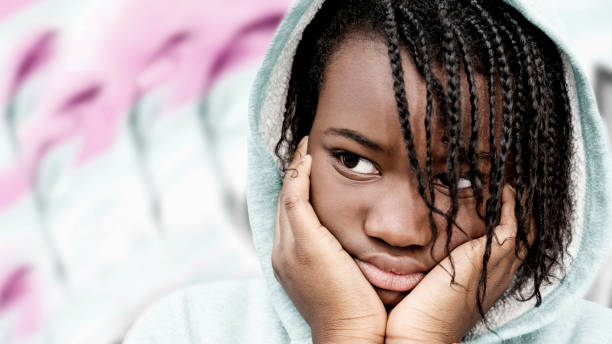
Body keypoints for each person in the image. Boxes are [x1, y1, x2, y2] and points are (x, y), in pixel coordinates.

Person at [125, 0, 612, 343]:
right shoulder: (191, 331)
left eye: (461, 181)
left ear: (525, 194)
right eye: (354, 162)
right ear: (293, 153)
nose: (398, 230)